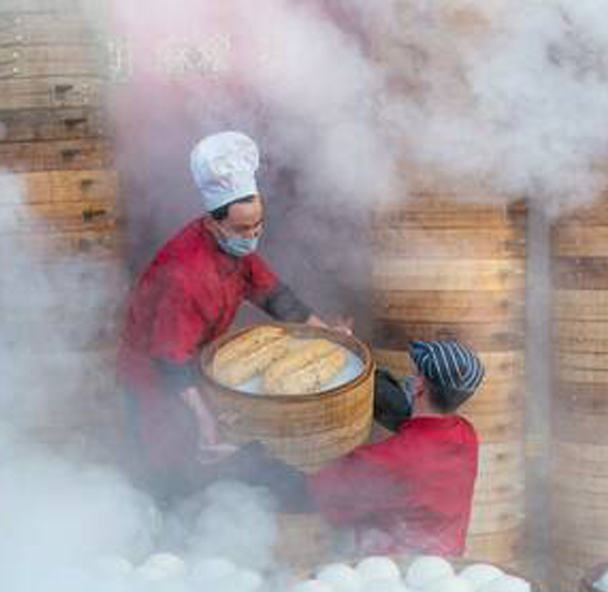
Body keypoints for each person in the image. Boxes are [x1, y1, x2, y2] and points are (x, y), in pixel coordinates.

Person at [116, 131, 335, 504]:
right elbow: (171, 360)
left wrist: (327, 334)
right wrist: (203, 419)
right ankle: (167, 529)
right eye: (243, 230)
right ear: (213, 223)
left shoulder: (236, 247)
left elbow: (275, 296)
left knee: (208, 456)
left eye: (258, 225)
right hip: (154, 377)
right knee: (171, 459)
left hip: (191, 363)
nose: (253, 236)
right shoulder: (184, 275)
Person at [307, 340, 485, 556]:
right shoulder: (466, 435)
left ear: (418, 385)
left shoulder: (388, 459)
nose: (408, 379)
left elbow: (312, 492)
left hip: (389, 575)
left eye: (415, 373)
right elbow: (416, 422)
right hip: (445, 570)